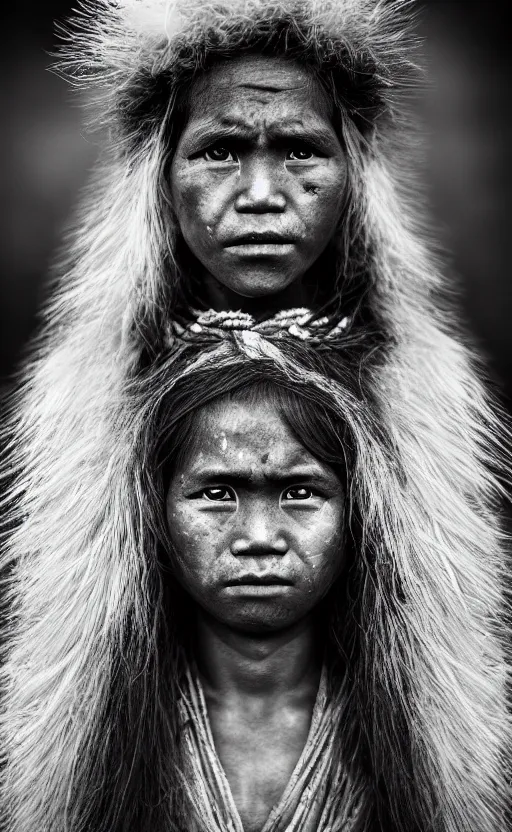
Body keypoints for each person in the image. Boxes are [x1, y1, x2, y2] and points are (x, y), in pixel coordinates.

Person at [0, 2, 510, 831]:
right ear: (158, 172)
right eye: (222, 151)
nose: (264, 196)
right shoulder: (86, 399)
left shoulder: (423, 394)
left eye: (301, 150)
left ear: (357, 170)